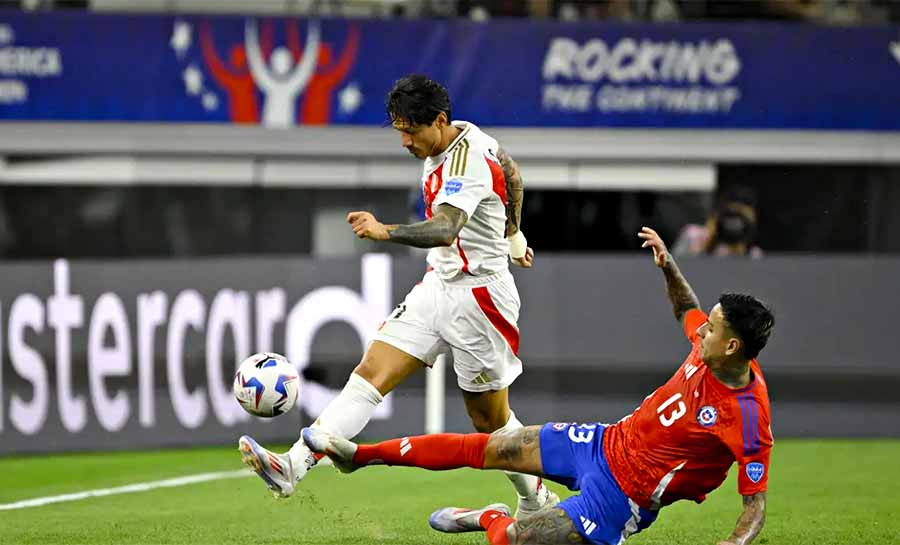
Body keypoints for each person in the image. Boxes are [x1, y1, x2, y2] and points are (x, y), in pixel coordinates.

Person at [301, 226, 774, 545]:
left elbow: (754, 507)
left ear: (732, 347)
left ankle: (487, 517)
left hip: (620, 500)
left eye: (711, 330)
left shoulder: (748, 416)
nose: (701, 332)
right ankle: (358, 457)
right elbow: (684, 308)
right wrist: (669, 265)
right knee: (488, 446)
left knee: (513, 539)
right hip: (603, 443)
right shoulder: (706, 345)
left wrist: (732, 544)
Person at [239, 74, 558, 517]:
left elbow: (446, 228)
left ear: (438, 121)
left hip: (481, 300)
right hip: (438, 286)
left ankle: (535, 498)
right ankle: (292, 466)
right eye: (399, 131)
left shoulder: (464, 161)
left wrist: (384, 231)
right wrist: (513, 230)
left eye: (410, 131)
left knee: (490, 421)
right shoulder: (466, 136)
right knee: (371, 372)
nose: (404, 141)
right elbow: (511, 171)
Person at [672, 186, 763, 258]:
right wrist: (707, 243)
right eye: (729, 215)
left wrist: (740, 251)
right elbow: (673, 267)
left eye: (740, 218)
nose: (733, 223)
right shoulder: (692, 235)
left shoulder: (754, 254)